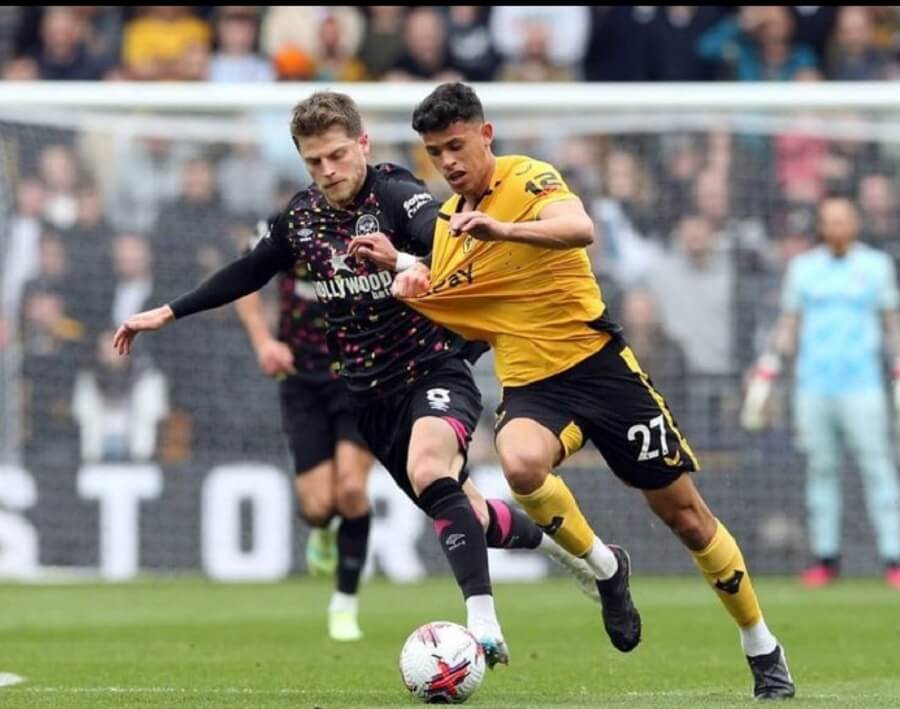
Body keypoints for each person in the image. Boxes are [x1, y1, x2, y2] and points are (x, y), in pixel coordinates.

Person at [113, 91, 612, 668]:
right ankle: (580, 554)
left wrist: (409, 265)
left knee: (429, 469)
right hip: (369, 395)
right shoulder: (301, 217)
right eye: (314, 161)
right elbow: (248, 271)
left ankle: (483, 625)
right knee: (469, 514)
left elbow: (452, 249)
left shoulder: (398, 195)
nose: (328, 170)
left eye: (337, 155)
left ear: (363, 145)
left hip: (433, 368)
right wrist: (168, 312)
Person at [378, 82, 793, 699]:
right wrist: (402, 272)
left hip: (601, 369)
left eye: (456, 145)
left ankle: (761, 644)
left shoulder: (530, 179)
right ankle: (605, 566)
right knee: (519, 463)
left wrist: (503, 230)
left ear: (485, 135)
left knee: (686, 517)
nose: (448, 162)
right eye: (436, 153)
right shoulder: (447, 225)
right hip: (533, 383)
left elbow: (579, 228)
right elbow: (461, 303)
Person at [742, 196, 900, 590]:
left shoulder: (876, 266)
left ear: (855, 223)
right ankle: (825, 558)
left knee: (878, 467)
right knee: (821, 469)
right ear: (821, 226)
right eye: (829, 220)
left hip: (863, 386)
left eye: (843, 219)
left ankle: (893, 557)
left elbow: (891, 322)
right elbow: (789, 323)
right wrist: (769, 368)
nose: (836, 227)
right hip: (814, 386)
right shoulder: (804, 268)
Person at [234, 219, 375, 642]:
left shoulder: (373, 223)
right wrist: (264, 342)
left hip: (361, 376)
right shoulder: (285, 228)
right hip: (302, 379)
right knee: (317, 506)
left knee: (351, 488)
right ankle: (323, 528)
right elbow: (243, 278)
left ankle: (344, 604)